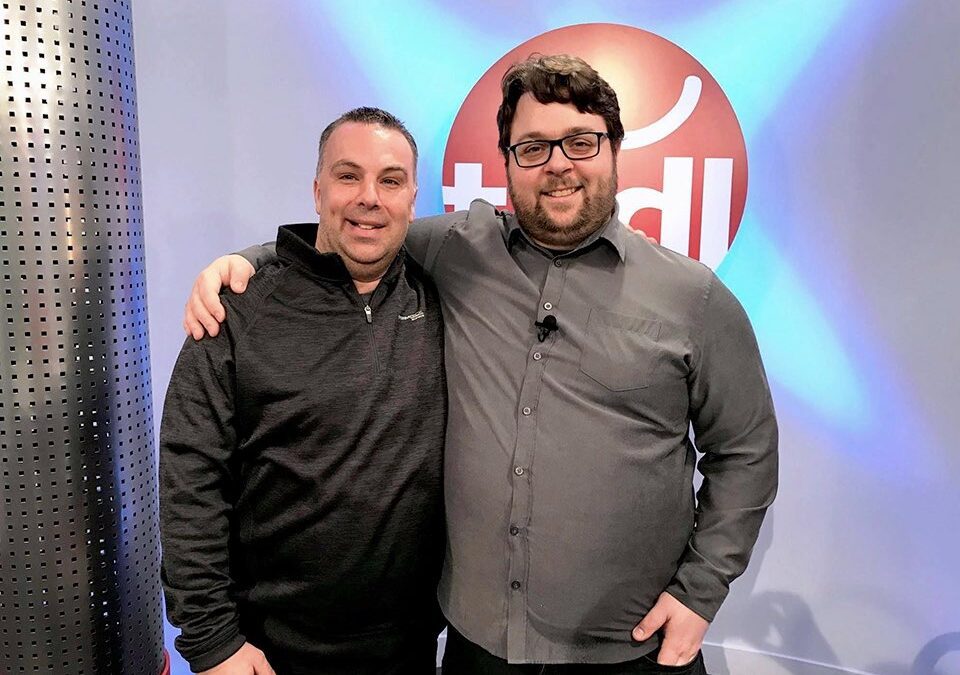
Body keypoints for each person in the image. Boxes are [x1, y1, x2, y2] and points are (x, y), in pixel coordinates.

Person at [183, 55, 778, 673]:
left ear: (615, 149)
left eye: (580, 142)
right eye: (533, 148)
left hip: (630, 651)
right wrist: (245, 262)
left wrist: (701, 590)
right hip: (476, 650)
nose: (558, 165)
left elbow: (747, 451)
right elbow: (359, 229)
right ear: (507, 162)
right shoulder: (459, 250)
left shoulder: (695, 298)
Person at [160, 107, 447, 675]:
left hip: (409, 653)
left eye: (390, 181)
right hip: (265, 656)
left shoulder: (446, 296)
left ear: (413, 200)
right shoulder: (236, 309)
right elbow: (190, 479)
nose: (370, 197)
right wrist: (211, 640)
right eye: (348, 176)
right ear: (317, 191)